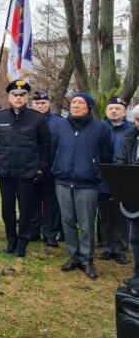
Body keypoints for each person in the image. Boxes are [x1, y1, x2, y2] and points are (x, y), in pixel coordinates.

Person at [52, 93, 113, 280]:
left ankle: (86, 259)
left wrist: (96, 173)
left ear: (89, 107)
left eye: (80, 103)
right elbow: (53, 149)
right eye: (73, 103)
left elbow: (107, 156)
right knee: (68, 221)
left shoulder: (101, 128)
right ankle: (73, 256)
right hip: (63, 180)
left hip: (87, 183)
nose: (75, 105)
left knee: (86, 224)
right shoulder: (60, 126)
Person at [0, 80, 51, 257]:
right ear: (9, 97)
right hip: (6, 172)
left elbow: (46, 145)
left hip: (27, 172)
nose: (18, 97)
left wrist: (41, 168)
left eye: (22, 95)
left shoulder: (37, 118)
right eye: (14, 94)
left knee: (26, 209)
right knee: (7, 208)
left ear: (27, 98)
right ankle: (11, 239)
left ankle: (22, 241)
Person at [99, 96, 134, 265]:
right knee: (104, 215)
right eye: (111, 108)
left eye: (117, 108)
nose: (114, 111)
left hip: (123, 177)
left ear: (124, 111)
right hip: (102, 177)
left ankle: (119, 248)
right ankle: (106, 247)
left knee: (121, 216)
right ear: (106, 111)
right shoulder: (99, 128)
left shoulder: (132, 129)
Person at [30, 91, 65, 247]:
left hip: (50, 169)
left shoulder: (59, 123)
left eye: (43, 103)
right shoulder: (27, 119)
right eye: (37, 103)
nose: (40, 106)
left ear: (48, 104)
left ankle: (49, 233)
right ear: (32, 104)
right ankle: (33, 230)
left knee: (50, 203)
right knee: (32, 200)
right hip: (30, 167)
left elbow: (62, 147)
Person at [113, 103, 139, 283]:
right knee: (135, 238)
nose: (138, 124)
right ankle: (137, 275)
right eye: (136, 120)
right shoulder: (130, 137)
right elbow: (120, 161)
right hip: (134, 195)